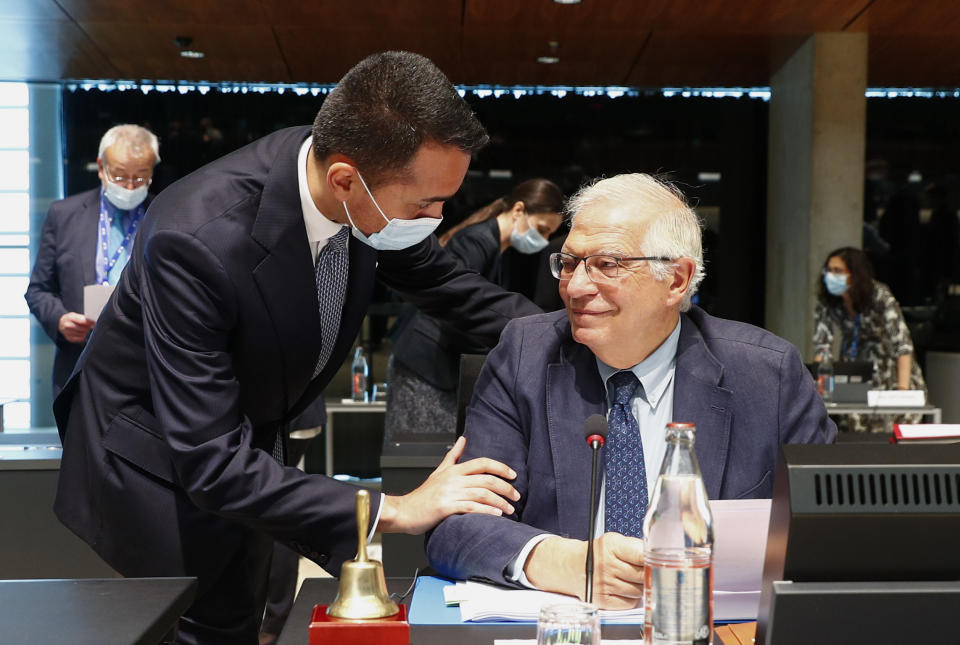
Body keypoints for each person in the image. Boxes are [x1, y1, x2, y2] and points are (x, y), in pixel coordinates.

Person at [53, 51, 536, 645]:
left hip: (253, 437)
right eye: (426, 206)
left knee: (261, 606)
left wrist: (566, 333)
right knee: (209, 621)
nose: (436, 223)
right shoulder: (197, 239)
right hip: (158, 463)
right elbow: (210, 461)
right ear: (343, 179)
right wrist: (396, 508)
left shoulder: (362, 190)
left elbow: (448, 287)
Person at [426, 173, 836, 609]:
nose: (576, 287)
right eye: (568, 263)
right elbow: (456, 524)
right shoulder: (525, 355)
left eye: (608, 264)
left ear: (676, 280)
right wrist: (564, 562)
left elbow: (829, 530)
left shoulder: (766, 376)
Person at [386, 178, 564, 438]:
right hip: (425, 362)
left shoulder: (497, 248)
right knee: (418, 452)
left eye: (549, 234)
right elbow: (461, 308)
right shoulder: (477, 241)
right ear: (518, 211)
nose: (544, 239)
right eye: (542, 229)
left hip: (439, 364)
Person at [25, 124, 159, 397]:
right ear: (101, 168)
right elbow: (38, 290)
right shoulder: (64, 215)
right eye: (120, 177)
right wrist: (61, 320)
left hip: (148, 365)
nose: (130, 187)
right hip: (80, 363)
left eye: (140, 178)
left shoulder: (164, 215)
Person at [813, 246, 927, 433]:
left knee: (890, 435)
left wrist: (902, 392)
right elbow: (822, 346)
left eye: (838, 271)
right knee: (853, 431)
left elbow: (903, 345)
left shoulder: (879, 295)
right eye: (829, 270)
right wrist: (820, 386)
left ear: (855, 274)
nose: (831, 276)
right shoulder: (828, 300)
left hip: (889, 371)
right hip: (855, 370)